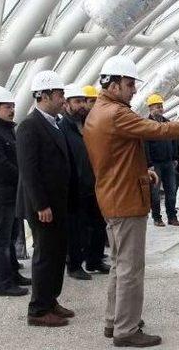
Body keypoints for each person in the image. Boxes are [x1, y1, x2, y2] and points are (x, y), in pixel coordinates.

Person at [83, 55, 179, 347]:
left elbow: (117, 157)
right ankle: (127, 330)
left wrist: (142, 172)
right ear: (112, 84)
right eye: (128, 84)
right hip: (125, 200)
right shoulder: (115, 113)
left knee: (118, 264)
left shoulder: (99, 111)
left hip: (113, 194)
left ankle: (114, 321)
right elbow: (160, 130)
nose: (134, 91)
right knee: (131, 268)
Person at [16, 70, 72, 327]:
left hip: (58, 203)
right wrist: (41, 205)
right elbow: (29, 170)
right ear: (45, 95)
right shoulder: (30, 125)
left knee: (57, 252)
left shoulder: (54, 122)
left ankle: (50, 299)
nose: (63, 99)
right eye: (60, 94)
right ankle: (38, 310)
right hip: (43, 206)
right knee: (45, 254)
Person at [0, 86, 31, 297]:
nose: (12, 110)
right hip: (1, 195)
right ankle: (3, 284)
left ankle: (12, 274)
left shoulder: (7, 128)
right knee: (1, 240)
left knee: (10, 237)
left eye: (12, 106)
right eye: (7, 106)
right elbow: (1, 165)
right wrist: (24, 177)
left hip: (11, 193)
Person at [59, 84, 109, 280]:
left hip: (93, 184)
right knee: (76, 229)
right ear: (67, 104)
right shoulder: (63, 128)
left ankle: (94, 260)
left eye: (82, 101)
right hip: (75, 187)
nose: (81, 105)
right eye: (77, 101)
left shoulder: (87, 125)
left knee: (97, 224)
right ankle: (74, 265)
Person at [144, 94, 179, 227]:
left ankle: (172, 216)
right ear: (150, 108)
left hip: (169, 162)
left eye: (161, 106)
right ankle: (157, 217)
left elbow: (174, 141)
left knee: (171, 190)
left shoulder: (167, 123)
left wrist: (175, 157)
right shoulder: (146, 125)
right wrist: (149, 164)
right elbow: (145, 145)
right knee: (155, 192)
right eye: (157, 107)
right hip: (155, 164)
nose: (160, 109)